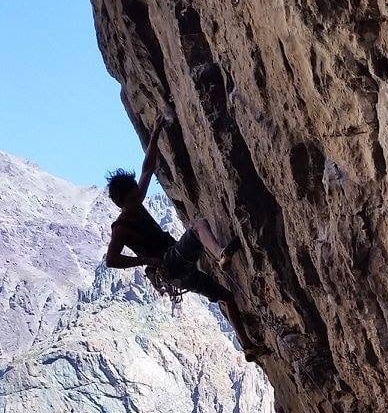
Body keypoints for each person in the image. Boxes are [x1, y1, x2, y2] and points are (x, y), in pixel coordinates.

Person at [105, 113, 268, 361]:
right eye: (131, 198)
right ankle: (221, 255)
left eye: (136, 195)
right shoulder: (121, 227)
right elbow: (111, 260)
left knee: (227, 297)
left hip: (177, 270)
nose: (138, 199)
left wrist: (156, 131)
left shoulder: (135, 202)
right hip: (168, 263)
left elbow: (148, 168)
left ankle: (247, 346)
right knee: (198, 226)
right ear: (120, 202)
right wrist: (147, 261)